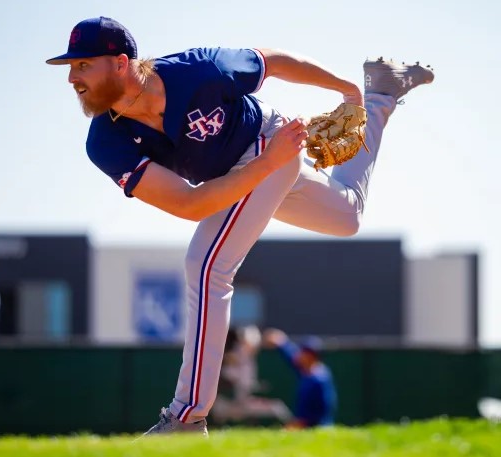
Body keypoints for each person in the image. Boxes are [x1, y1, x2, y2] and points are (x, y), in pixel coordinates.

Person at [46, 16, 434, 436]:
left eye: (83, 65)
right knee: (347, 217)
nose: (72, 78)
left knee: (208, 266)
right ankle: (383, 92)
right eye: (70, 67)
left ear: (121, 63)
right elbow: (190, 203)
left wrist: (346, 88)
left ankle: (186, 418)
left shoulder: (198, 70)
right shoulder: (105, 141)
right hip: (249, 172)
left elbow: (274, 61)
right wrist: (268, 166)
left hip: (269, 138)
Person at [211, 326, 293, 425]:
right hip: (226, 404)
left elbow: (247, 385)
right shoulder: (230, 358)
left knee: (278, 409)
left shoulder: (249, 360)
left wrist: (258, 387)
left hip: (242, 402)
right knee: (276, 409)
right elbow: (228, 381)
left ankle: (292, 428)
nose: (252, 347)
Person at [263, 328, 337, 428]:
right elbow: (291, 355)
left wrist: (295, 426)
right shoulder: (308, 370)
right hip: (307, 423)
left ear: (310, 356)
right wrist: (281, 341)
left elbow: (318, 413)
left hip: (317, 426)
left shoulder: (318, 380)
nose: (298, 355)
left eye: (302, 353)